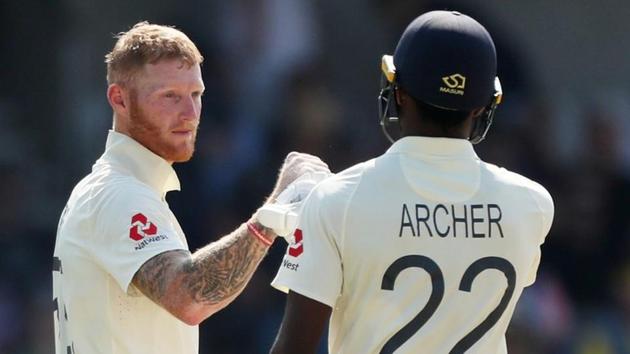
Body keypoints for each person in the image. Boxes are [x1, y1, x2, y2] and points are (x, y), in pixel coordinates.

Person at [269, 10, 554, 354]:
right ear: (481, 107)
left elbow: (293, 348)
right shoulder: (532, 204)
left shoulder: (336, 200)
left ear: (398, 93)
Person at [51, 22, 328, 354]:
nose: (190, 114)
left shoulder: (120, 190)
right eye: (170, 96)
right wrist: (272, 217)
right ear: (119, 100)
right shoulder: (116, 194)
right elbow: (188, 298)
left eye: (195, 95)